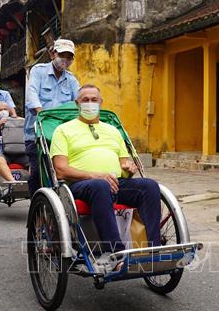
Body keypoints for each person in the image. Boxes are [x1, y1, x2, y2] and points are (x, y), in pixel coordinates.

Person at [50, 84, 161, 254]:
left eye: (94, 100)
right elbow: (61, 170)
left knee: (150, 186)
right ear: (77, 103)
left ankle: (154, 248)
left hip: (116, 182)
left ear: (101, 102)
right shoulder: (63, 130)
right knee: (100, 186)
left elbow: (123, 166)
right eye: (85, 100)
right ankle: (116, 253)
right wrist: (95, 176)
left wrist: (129, 169)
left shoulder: (113, 131)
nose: (90, 103)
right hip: (81, 185)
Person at [24, 38, 81, 195]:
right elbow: (32, 94)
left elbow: (79, 100)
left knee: (64, 171)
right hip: (37, 133)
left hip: (62, 135)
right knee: (37, 172)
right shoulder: (38, 71)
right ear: (52, 54)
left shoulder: (71, 80)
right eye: (62, 55)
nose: (65, 59)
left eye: (69, 57)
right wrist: (40, 111)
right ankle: (36, 208)